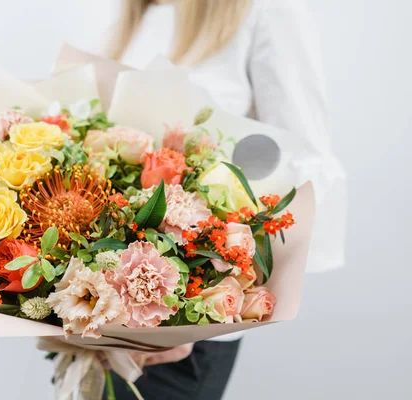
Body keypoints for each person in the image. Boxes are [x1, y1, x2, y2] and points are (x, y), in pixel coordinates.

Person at [97, 0, 346, 399]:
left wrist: (199, 310)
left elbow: (304, 164)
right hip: (105, 324)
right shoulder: (143, 13)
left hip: (184, 333)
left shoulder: (267, 10)